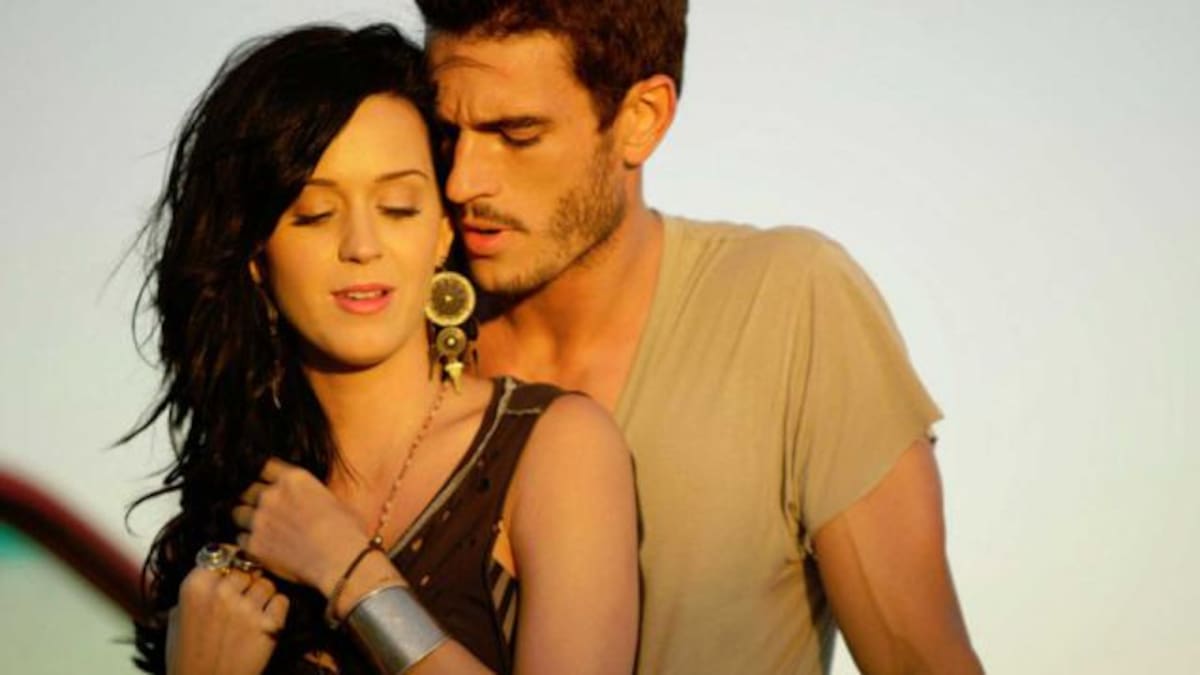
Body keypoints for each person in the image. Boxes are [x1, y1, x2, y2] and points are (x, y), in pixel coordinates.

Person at [414, 1, 985, 673]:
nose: (463, 180)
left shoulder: (789, 306)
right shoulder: (393, 329)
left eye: (516, 134)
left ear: (641, 118)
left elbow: (920, 659)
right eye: (447, 132)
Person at [124, 23, 638, 675]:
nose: (362, 246)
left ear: (443, 231)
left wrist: (351, 574)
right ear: (254, 253)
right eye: (315, 214)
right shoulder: (235, 504)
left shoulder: (556, 448)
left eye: (397, 206)